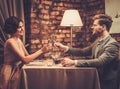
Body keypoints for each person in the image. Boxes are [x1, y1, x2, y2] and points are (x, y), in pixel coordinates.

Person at [55, 14, 120, 89]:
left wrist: (74, 62)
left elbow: (100, 61)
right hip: (97, 79)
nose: (92, 27)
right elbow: (83, 51)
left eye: (95, 25)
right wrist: (65, 48)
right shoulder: (98, 41)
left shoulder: (112, 44)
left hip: (107, 84)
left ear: (103, 27)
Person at [0, 16, 49, 89]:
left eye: (22, 26)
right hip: (8, 72)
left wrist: (42, 61)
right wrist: (41, 50)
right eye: (19, 27)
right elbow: (25, 59)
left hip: (16, 69)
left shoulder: (18, 41)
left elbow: (28, 57)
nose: (22, 29)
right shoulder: (10, 42)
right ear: (13, 28)